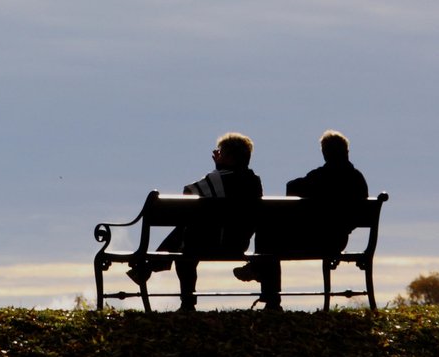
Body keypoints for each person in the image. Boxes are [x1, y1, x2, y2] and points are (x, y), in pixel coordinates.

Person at [128, 132, 262, 310]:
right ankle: (147, 268)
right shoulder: (254, 182)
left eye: (220, 152)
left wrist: (217, 170)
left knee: (187, 233)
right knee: (187, 228)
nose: (217, 154)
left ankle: (183, 299)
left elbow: (188, 193)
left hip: (211, 243)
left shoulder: (218, 179)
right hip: (238, 244)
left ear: (230, 157)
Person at [235, 130, 369, 308]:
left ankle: (270, 296)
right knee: (270, 237)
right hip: (337, 241)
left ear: (325, 153)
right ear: (346, 151)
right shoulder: (357, 179)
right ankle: (260, 274)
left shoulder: (321, 176)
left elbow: (292, 187)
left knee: (268, 234)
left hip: (315, 240)